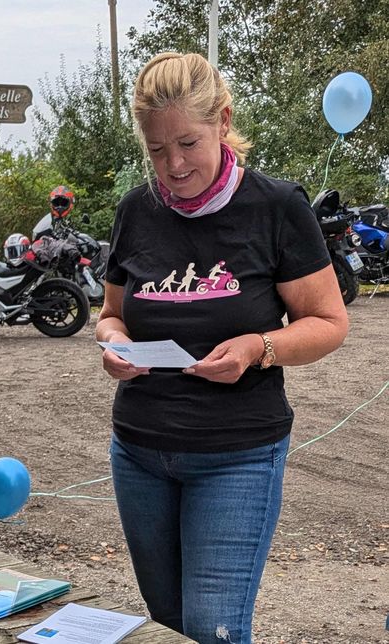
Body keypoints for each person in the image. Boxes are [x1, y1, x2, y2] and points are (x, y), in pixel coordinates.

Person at [95, 52, 348, 643]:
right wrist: (115, 344)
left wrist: (260, 346)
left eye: (186, 143)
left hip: (237, 456)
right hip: (139, 453)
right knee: (166, 630)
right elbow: (109, 315)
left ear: (223, 121)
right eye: (157, 151)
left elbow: (330, 322)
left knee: (213, 631)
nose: (173, 165)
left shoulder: (277, 207)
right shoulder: (134, 210)